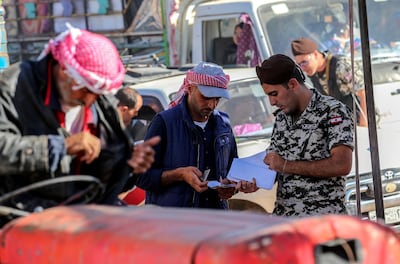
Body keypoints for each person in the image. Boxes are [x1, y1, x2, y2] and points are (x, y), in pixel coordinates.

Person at [0, 24, 160, 221]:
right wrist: (60, 147)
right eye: (85, 91)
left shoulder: (99, 100)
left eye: (97, 94)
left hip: (80, 225)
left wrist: (128, 164)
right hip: (20, 224)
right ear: (63, 71)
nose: (89, 101)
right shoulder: (12, 87)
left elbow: (103, 180)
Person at [135, 61, 257, 209]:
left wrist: (233, 187)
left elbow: (232, 172)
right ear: (191, 89)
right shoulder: (164, 123)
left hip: (213, 219)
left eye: (217, 99)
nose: (211, 105)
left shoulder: (223, 124)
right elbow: (141, 177)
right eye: (206, 97)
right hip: (174, 222)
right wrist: (179, 174)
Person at [256, 54, 354, 217]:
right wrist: (254, 181)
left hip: (322, 222)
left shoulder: (332, 111)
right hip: (285, 221)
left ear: (292, 84)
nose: (271, 102)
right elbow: (274, 163)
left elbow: (342, 165)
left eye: (274, 93)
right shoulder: (282, 116)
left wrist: (286, 165)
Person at [291, 37, 367, 126]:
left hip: (360, 125)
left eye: (304, 62)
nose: (302, 68)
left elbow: (364, 93)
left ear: (315, 54)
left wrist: (364, 127)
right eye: (299, 65)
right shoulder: (313, 74)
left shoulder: (341, 65)